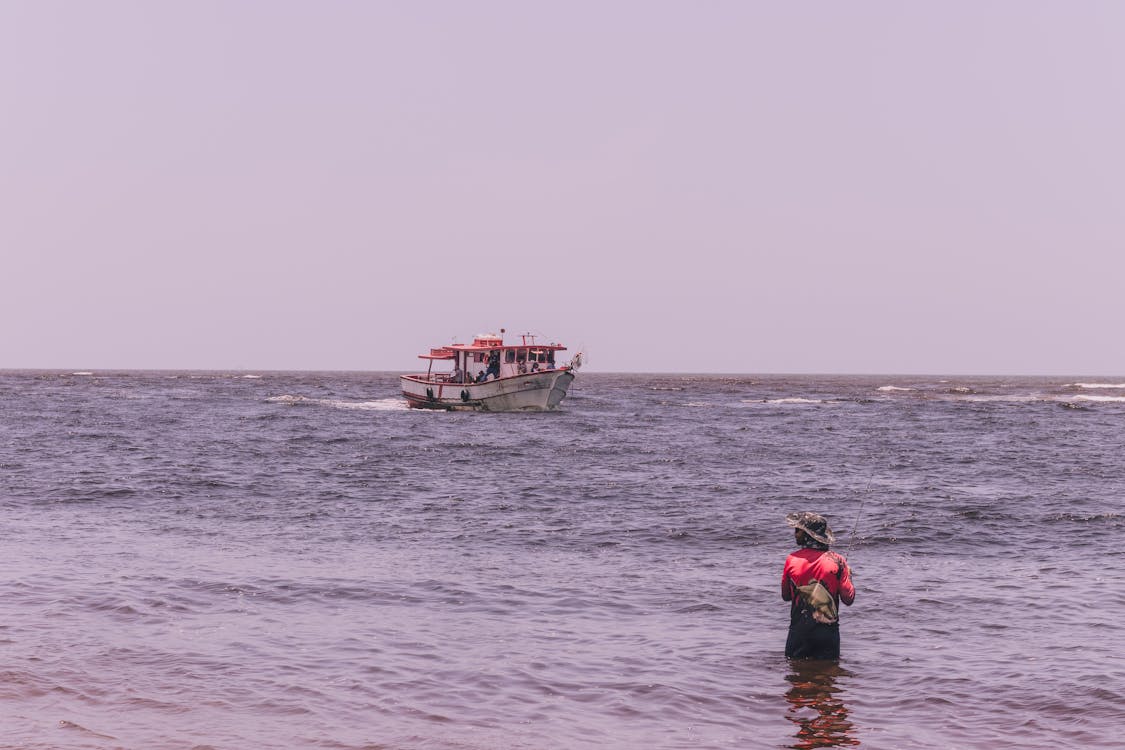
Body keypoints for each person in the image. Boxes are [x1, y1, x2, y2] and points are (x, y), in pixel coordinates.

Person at [781, 512, 855, 659]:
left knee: (797, 677)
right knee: (828, 678)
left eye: (798, 531)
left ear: (808, 535)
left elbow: (786, 596)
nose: (795, 534)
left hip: (798, 633)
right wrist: (848, 575)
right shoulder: (839, 561)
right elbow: (848, 599)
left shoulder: (791, 559)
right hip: (827, 635)